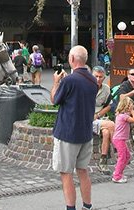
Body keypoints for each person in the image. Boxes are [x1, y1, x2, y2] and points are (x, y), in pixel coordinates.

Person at [51, 45, 97, 210]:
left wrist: (56, 83)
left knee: (66, 173)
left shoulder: (69, 80)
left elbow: (55, 100)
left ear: (71, 59)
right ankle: (87, 206)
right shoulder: (93, 80)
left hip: (68, 133)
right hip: (85, 132)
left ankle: (70, 208)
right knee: (83, 170)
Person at [111, 96, 134, 184]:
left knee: (127, 156)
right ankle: (117, 176)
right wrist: (132, 111)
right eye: (130, 104)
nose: (132, 106)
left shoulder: (123, 115)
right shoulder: (123, 116)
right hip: (119, 139)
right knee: (122, 157)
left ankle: (118, 172)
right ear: (126, 106)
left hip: (120, 139)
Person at [91, 66, 114, 171]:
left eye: (100, 77)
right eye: (96, 76)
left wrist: (99, 115)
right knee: (112, 126)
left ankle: (103, 160)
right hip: (88, 118)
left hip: (99, 117)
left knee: (106, 133)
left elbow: (109, 105)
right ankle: (120, 151)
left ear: (104, 78)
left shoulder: (106, 88)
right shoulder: (86, 87)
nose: (98, 79)